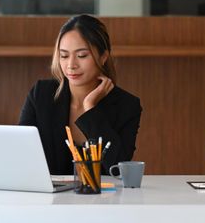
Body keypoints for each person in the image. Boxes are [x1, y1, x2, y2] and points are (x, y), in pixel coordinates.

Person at [19, 15, 142, 175]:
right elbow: (21, 154)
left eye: (82, 55)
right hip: (49, 197)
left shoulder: (127, 105)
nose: (71, 65)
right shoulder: (41, 94)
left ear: (103, 57)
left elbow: (117, 170)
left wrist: (90, 109)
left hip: (103, 199)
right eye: (64, 56)